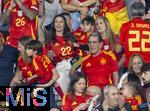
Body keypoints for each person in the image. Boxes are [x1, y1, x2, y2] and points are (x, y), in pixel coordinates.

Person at [0, 0, 39, 85]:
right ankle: (5, 93)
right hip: (12, 42)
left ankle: (27, 96)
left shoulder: (33, 1)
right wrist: (10, 8)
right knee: (3, 65)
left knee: (27, 71)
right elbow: (2, 22)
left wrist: (19, 3)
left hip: (28, 43)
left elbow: (31, 16)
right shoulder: (9, 3)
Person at [45, 14, 76, 93]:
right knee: (61, 93)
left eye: (61, 22)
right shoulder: (50, 41)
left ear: (65, 24)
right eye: (56, 22)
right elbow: (45, 58)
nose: (58, 24)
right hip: (60, 66)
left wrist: (74, 67)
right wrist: (48, 56)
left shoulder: (72, 38)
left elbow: (80, 55)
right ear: (53, 24)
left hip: (75, 65)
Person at [116, 2, 150, 68]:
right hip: (147, 65)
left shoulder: (125, 26)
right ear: (143, 13)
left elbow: (118, 49)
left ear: (131, 13)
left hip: (131, 65)